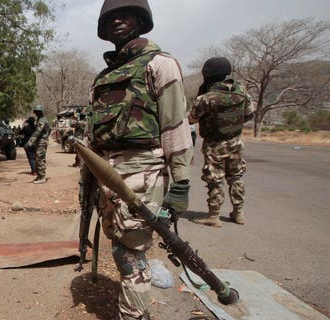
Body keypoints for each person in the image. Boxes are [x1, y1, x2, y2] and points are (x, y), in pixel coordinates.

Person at [82, 1, 194, 319]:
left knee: (131, 249)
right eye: (110, 17)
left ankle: (134, 315)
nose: (117, 20)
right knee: (120, 246)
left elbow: (175, 125)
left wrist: (181, 181)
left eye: (125, 14)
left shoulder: (160, 64)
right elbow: (92, 138)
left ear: (140, 20)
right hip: (107, 174)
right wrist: (88, 183)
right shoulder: (103, 78)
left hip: (144, 171)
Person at [188, 57, 254, 227]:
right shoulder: (242, 92)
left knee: (215, 179)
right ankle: (238, 213)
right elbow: (248, 115)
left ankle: (214, 216)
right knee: (236, 177)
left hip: (214, 144)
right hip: (236, 142)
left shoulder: (207, 98)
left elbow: (191, 119)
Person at [25, 106, 50, 184]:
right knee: (38, 158)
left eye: (37, 111)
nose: (35, 113)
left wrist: (29, 143)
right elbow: (49, 130)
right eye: (35, 111)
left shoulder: (42, 121)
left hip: (41, 142)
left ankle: (42, 177)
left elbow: (37, 132)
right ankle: (39, 176)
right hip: (41, 141)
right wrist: (46, 137)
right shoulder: (43, 120)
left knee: (39, 159)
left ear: (41, 112)